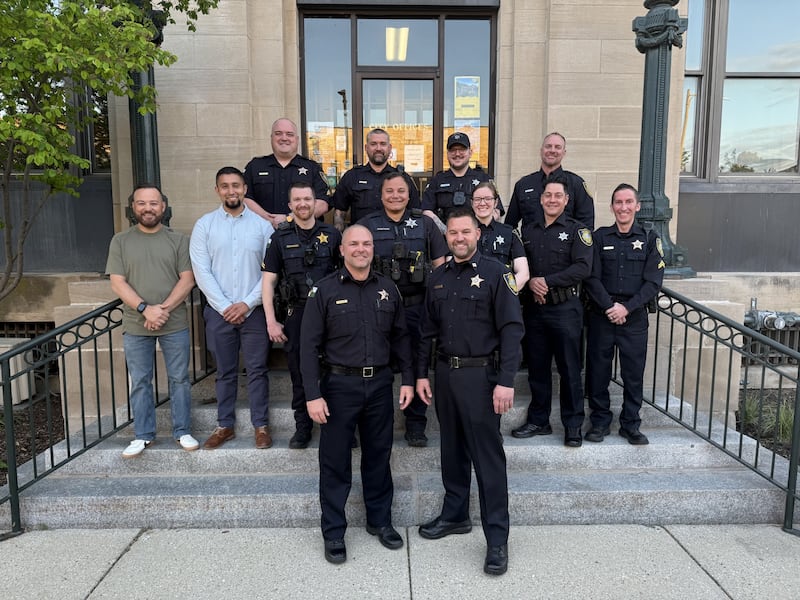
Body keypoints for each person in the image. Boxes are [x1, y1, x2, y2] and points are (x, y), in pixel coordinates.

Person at [416, 208, 523, 576]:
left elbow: (512, 329)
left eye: (466, 232)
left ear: (478, 233)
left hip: (482, 378)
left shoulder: (496, 273)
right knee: (452, 450)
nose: (459, 238)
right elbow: (426, 332)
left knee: (488, 461)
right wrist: (422, 374)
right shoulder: (438, 277)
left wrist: (506, 380)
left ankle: (497, 540)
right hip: (446, 374)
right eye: (453, 234)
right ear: (446, 238)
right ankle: (455, 514)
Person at [299, 224, 414, 564]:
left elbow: (402, 338)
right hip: (338, 388)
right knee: (334, 463)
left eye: (366, 243)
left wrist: (407, 379)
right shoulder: (323, 291)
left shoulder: (388, 289)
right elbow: (307, 347)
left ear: (373, 249)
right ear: (342, 250)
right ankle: (334, 532)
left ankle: (380, 522)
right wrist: (311, 394)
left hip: (379, 384)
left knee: (379, 456)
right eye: (354, 244)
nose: (361, 249)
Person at [106, 184, 198, 458]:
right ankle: (143, 435)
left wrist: (163, 309)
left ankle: (182, 431)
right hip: (136, 324)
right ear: (133, 207)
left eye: (153, 203)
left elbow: (188, 279)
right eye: (142, 203)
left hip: (174, 322)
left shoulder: (178, 240)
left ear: (163, 206)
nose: (148, 208)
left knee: (180, 379)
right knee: (141, 380)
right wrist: (146, 309)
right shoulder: (120, 241)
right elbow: (117, 282)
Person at [358, 172, 448, 447]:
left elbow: (440, 264)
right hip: (378, 308)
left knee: (419, 362)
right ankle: (376, 421)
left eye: (401, 191)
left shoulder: (425, 223)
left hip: (416, 306)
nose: (395, 195)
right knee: (379, 363)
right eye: (390, 191)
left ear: (410, 194)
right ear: (381, 195)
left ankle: (416, 424)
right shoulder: (367, 225)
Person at [190, 167, 275, 449]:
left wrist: (247, 303)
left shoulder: (262, 227)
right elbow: (201, 271)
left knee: (256, 370)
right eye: (224, 186)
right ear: (217, 190)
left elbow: (270, 270)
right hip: (219, 312)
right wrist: (226, 306)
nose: (231, 191)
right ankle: (224, 425)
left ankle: (261, 426)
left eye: (236, 185)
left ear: (244, 189)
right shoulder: (205, 225)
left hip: (254, 311)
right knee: (225, 371)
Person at [511, 174, 593, 447]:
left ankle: (572, 425)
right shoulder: (528, 230)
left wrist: (546, 281)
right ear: (541, 198)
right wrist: (532, 283)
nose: (552, 200)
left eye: (558, 196)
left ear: (566, 200)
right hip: (535, 310)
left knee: (570, 369)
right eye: (548, 195)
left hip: (566, 309)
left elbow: (582, 268)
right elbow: (522, 266)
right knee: (537, 369)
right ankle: (539, 420)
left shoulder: (577, 230)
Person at [262, 182, 342, 449]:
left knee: (335, 370)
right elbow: (268, 282)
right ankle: (303, 427)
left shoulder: (332, 235)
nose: (303, 204)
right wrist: (271, 320)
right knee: (299, 371)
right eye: (297, 200)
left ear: (315, 202)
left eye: (307, 199)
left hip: (331, 314)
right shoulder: (280, 238)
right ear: (290, 205)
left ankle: (339, 426)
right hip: (296, 312)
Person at [583, 183, 665, 445]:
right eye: (618, 202)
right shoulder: (599, 238)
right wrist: (610, 307)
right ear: (612, 207)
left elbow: (653, 282)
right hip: (602, 315)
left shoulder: (650, 239)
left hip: (634, 317)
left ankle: (631, 424)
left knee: (633, 373)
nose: (624, 207)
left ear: (637, 206)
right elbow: (591, 277)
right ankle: (599, 422)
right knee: (597, 371)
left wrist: (626, 308)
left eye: (629, 202)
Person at [243, 118, 330, 227]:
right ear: (271, 138)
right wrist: (268, 219)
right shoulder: (255, 166)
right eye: (278, 134)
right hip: (262, 232)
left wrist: (289, 219)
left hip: (304, 236)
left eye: (289, 134)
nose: (284, 138)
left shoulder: (312, 168)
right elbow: (244, 198)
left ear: (297, 139)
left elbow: (323, 204)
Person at [331, 128, 421, 231]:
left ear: (389, 148)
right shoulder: (352, 176)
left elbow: (415, 212)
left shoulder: (402, 178)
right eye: (373, 144)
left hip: (394, 240)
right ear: (366, 148)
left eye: (383, 144)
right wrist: (340, 239)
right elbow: (339, 212)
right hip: (362, 241)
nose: (378, 148)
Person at [505, 132, 595, 230]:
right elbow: (509, 226)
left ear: (564, 153)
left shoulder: (576, 184)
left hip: (566, 244)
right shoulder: (523, 184)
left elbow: (586, 226)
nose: (552, 150)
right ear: (541, 150)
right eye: (548, 146)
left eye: (557, 147)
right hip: (530, 244)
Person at [422, 132, 499, 233]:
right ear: (447, 154)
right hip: (444, 241)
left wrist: (474, 232)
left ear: (470, 152)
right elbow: (427, 211)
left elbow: (496, 211)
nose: (457, 154)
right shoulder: (437, 181)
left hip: (479, 240)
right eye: (453, 150)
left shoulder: (484, 179)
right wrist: (447, 232)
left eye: (462, 149)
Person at [471, 181, 529, 290]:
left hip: (501, 299)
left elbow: (523, 273)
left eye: (488, 199)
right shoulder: (463, 233)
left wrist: (504, 293)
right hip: (469, 298)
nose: (482, 203)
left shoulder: (509, 233)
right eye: (478, 199)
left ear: (496, 202)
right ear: (472, 203)